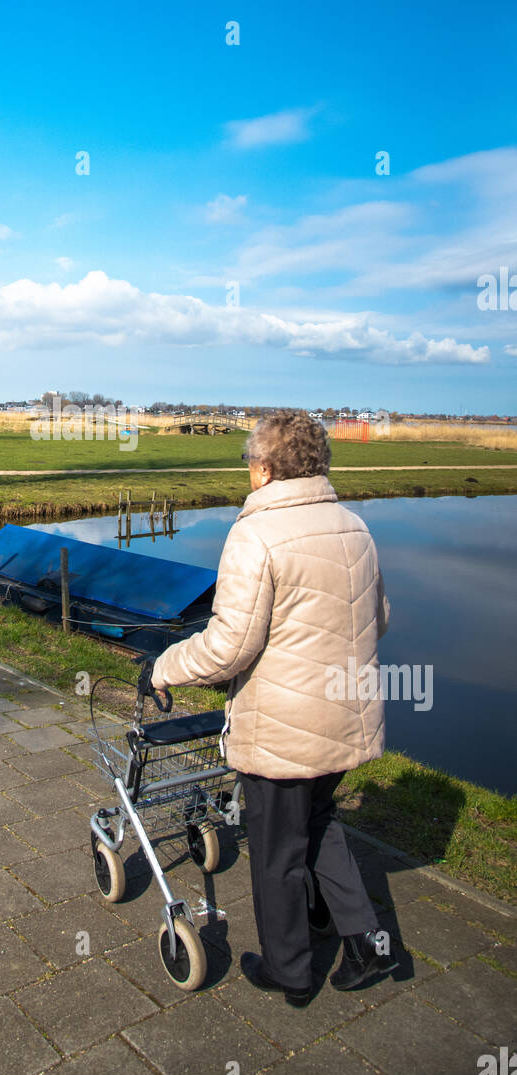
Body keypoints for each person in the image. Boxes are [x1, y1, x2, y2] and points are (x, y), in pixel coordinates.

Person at [150, 409, 397, 1006]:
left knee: (275, 851)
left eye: (249, 462)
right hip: (346, 713)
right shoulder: (353, 527)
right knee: (318, 823)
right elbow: (380, 618)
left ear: (262, 468)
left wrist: (163, 666)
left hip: (286, 729)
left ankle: (290, 972)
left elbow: (230, 646)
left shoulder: (256, 534)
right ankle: (366, 941)